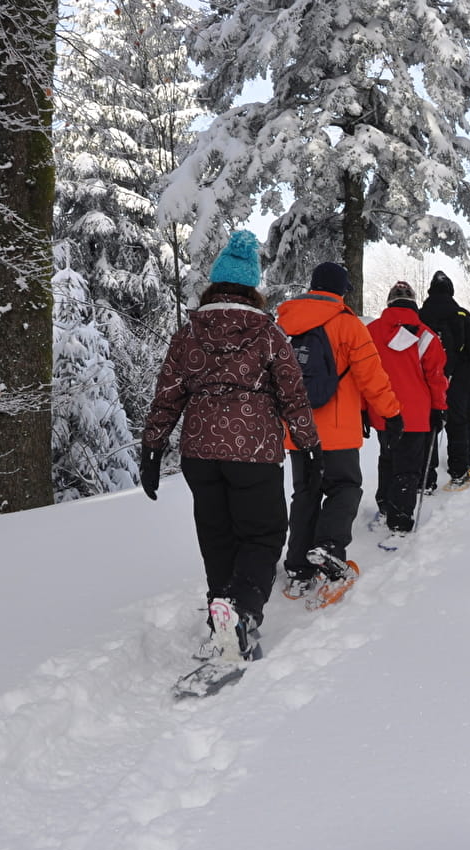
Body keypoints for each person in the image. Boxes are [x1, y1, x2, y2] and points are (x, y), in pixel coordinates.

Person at [140, 229, 321, 662]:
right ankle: (240, 612)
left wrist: (152, 447)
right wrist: (309, 447)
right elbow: (292, 395)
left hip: (200, 453)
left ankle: (220, 611)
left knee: (217, 537)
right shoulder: (267, 334)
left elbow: (168, 393)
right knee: (263, 534)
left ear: (215, 284)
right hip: (253, 453)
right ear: (252, 287)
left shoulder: (189, 333)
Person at [275, 261, 403, 606]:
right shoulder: (348, 325)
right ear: (342, 290)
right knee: (344, 488)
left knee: (304, 493)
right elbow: (371, 376)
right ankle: (329, 550)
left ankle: (298, 569)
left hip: (298, 430)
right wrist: (391, 413)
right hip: (337, 430)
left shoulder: (284, 323)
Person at [366, 282, 448, 540]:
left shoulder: (371, 332)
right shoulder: (427, 336)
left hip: (381, 410)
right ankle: (400, 519)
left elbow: (360, 374)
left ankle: (385, 503)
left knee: (387, 457)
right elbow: (436, 378)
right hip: (416, 414)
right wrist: (439, 409)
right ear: (414, 302)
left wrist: (362, 409)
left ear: (389, 302)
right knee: (408, 467)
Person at [418, 271, 470, 491]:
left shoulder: (420, 316)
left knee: (429, 425)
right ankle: (459, 472)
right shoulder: (462, 315)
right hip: (459, 378)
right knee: (458, 424)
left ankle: (425, 478)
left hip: (427, 378)